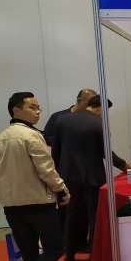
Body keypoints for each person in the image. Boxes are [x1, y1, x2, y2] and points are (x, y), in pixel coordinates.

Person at [0, 92, 70, 261]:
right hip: (38, 202)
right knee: (54, 248)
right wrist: (61, 190)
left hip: (12, 205)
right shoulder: (31, 135)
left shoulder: (1, 138)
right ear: (16, 110)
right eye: (32, 107)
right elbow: (46, 169)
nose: (38, 111)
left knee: (30, 255)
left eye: (38, 107)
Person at [53, 95, 128, 261]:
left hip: (68, 176)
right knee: (94, 216)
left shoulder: (62, 120)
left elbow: (56, 151)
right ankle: (93, 258)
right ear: (99, 107)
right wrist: (124, 166)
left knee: (72, 215)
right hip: (93, 177)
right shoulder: (98, 123)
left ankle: (69, 255)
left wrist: (57, 175)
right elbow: (106, 152)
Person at [43, 88, 96, 244]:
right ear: (79, 100)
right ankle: (66, 243)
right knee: (67, 209)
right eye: (90, 102)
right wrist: (67, 139)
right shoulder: (59, 117)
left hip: (87, 171)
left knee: (85, 210)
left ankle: (82, 242)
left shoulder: (92, 118)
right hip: (65, 171)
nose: (92, 106)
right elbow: (46, 137)